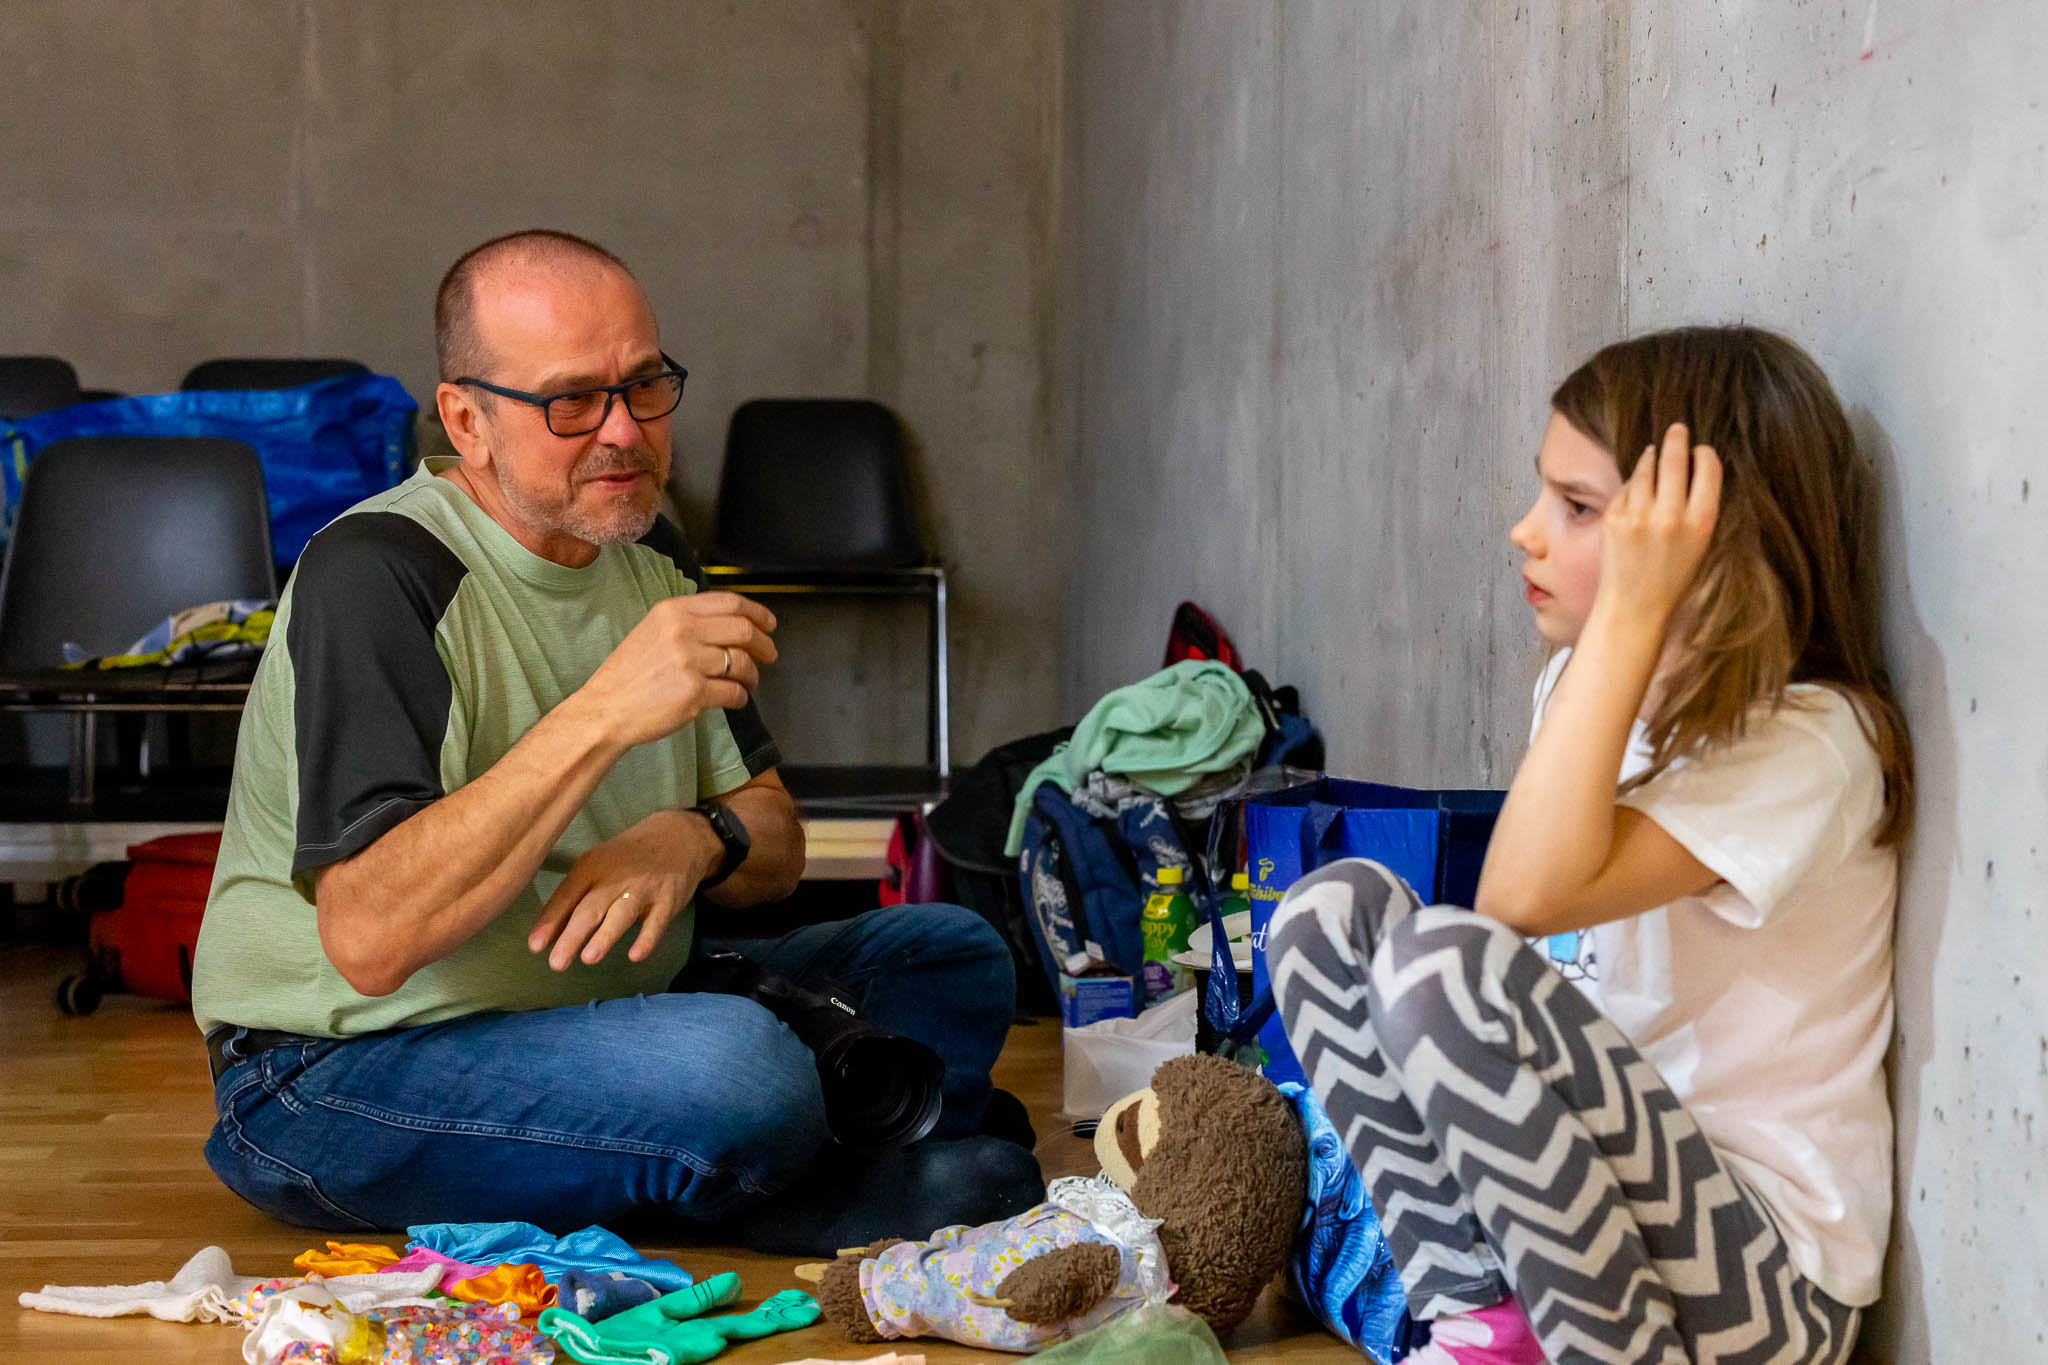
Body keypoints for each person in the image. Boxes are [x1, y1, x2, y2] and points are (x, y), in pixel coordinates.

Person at [189, 229, 1041, 1252]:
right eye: (571, 402)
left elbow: (775, 844)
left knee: (953, 954)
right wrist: (603, 712)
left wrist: (693, 837)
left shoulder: (648, 547)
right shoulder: (377, 571)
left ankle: (769, 1157)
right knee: (736, 1069)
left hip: (613, 1005)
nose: (624, 431)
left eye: (643, 385)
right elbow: (370, 942)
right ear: (466, 421)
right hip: (336, 1071)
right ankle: (823, 1174)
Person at [1270, 327, 1912, 1365]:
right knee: (1323, 917)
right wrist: (1608, 645)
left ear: (1696, 543)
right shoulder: (1587, 690)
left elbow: (1516, 902)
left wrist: (1629, 612)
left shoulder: (1812, 742)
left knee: (1444, 968)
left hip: (1761, 1288)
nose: (1523, 531)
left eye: (1575, 507)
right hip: (1580, 1235)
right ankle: (1479, 1328)